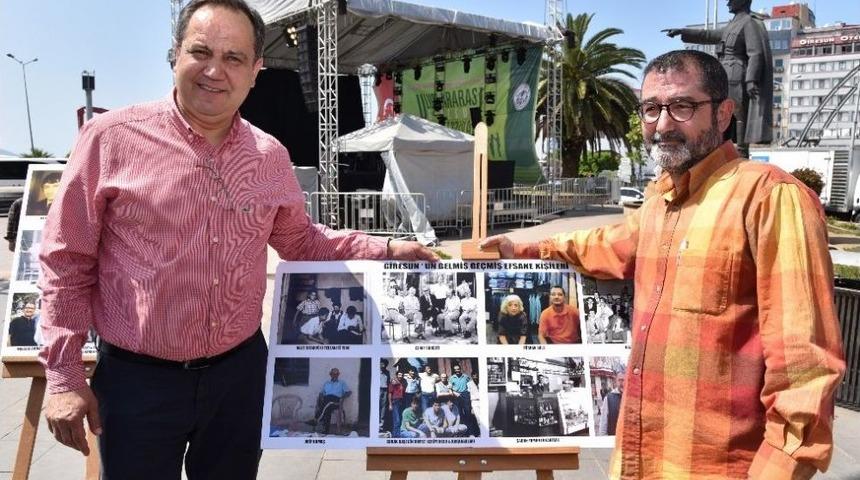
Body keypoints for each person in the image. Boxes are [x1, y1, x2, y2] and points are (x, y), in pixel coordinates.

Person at [36, 1, 438, 478]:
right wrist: (62, 376)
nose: (214, 71)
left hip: (239, 378)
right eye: (200, 52)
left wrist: (386, 248)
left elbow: (301, 240)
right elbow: (66, 259)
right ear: (175, 55)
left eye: (233, 58)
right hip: (136, 382)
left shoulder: (268, 156)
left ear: (255, 71)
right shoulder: (111, 139)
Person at [481, 49, 845, 479]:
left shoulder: (769, 198)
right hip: (641, 461)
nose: (664, 123)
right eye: (651, 108)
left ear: (724, 113)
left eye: (683, 106)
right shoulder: (660, 201)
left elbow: (805, 369)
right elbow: (605, 245)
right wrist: (521, 250)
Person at [663, 0, 772, 156]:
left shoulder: (749, 23)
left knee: (738, 113)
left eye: (731, 1)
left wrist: (751, 79)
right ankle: (721, 148)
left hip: (738, 74)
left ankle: (741, 151)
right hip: (723, 74)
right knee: (719, 112)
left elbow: (756, 54)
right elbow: (709, 35)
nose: (728, 3)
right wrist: (683, 32)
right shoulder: (733, 24)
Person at [315, 368, 351, 435]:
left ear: (338, 375)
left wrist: (342, 397)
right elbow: (321, 393)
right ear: (330, 375)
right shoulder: (326, 383)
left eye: (336, 374)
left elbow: (349, 392)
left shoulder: (342, 383)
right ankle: (326, 430)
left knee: (327, 402)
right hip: (327, 401)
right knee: (327, 407)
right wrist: (321, 396)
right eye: (333, 374)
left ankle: (316, 419)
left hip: (336, 401)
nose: (335, 375)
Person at [598, 371, 624, 436]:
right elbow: (603, 422)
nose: (623, 383)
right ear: (615, 382)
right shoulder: (608, 398)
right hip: (614, 438)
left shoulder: (632, 397)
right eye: (620, 380)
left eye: (625, 380)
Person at [387, 370, 406, 438]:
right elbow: (389, 393)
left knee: (400, 419)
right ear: (397, 375)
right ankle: (395, 435)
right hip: (395, 401)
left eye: (402, 375)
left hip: (402, 402)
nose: (400, 376)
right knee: (396, 420)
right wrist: (390, 404)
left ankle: (398, 434)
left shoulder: (403, 382)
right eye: (399, 375)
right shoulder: (393, 381)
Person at [378, 359, 390, 433]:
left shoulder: (387, 372)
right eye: (381, 364)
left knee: (383, 408)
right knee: (377, 407)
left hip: (385, 390)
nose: (382, 365)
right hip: (378, 390)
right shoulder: (376, 371)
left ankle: (381, 426)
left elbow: (388, 382)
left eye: (384, 364)